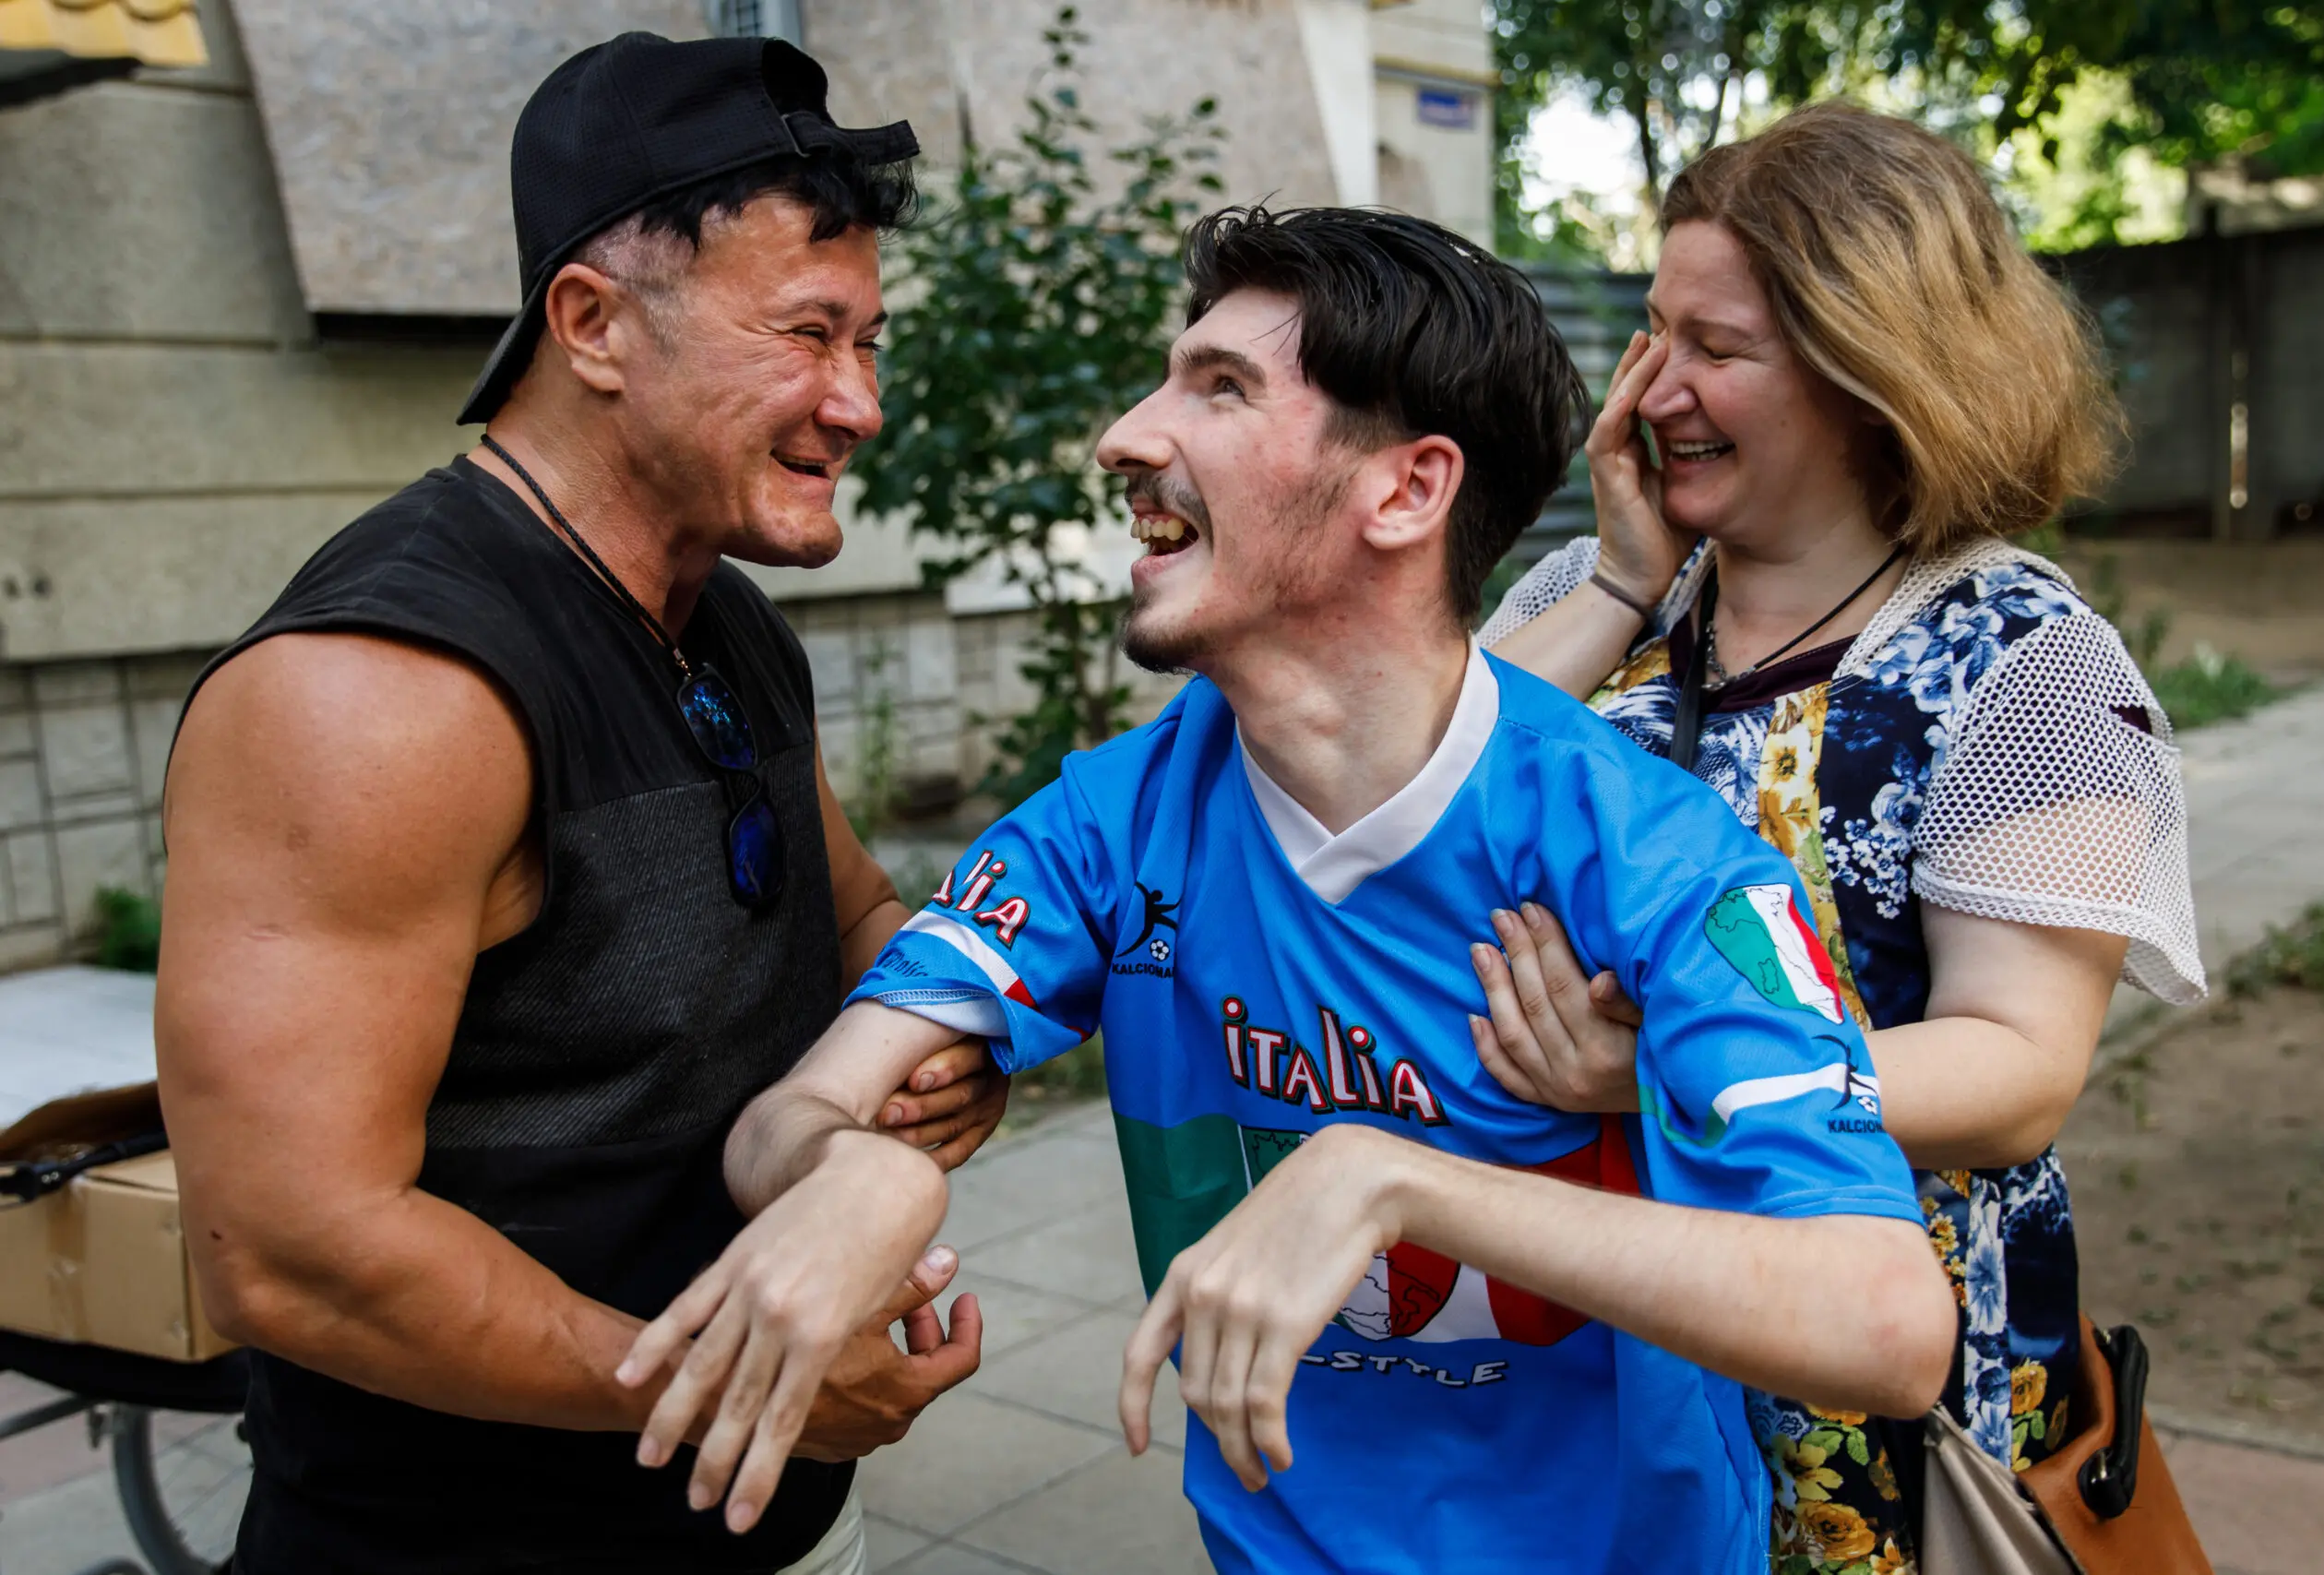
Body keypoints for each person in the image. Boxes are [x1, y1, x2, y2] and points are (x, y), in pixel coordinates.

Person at [607, 206, 1959, 1574]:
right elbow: (792, 1115)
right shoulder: (1107, 825)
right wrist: (853, 1175)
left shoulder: (1652, 855)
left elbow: (1888, 1326)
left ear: (1406, 491)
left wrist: (1392, 1183)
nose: (1128, 438)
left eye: (1222, 387)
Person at [156, 34, 1007, 1575]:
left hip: (775, 1511)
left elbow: (859, 920)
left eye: (871, 342)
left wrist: (944, 1045)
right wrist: (744, 1380)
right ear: (592, 321)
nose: (860, 403)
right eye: (810, 334)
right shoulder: (384, 691)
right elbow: (290, 1254)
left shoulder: (730, 617)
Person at [1470, 102, 2204, 1574]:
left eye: (1717, 347)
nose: (1654, 386)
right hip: (1571, 1360)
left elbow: (2015, 1072)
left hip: (1854, 1408)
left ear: (1876, 374)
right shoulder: (1598, 592)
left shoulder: (2022, 659)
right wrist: (1622, 581)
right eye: (1654, 333)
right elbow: (1417, 797)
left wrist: (1670, 1072)